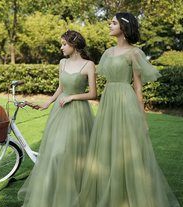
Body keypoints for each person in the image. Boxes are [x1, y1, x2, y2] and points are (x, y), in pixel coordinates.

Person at [77, 12, 180, 207]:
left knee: (127, 147)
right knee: (106, 146)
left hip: (126, 101)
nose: (109, 25)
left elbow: (138, 87)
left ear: (123, 28)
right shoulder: (107, 53)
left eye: (113, 23)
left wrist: (142, 118)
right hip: (108, 102)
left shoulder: (135, 53)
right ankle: (108, 192)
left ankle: (129, 195)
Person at [18, 30, 96, 207]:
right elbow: (61, 88)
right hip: (59, 111)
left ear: (74, 45)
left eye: (64, 44)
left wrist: (72, 97)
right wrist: (47, 103)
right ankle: (52, 193)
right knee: (54, 153)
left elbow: (93, 93)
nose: (61, 48)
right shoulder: (62, 63)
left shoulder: (89, 65)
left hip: (78, 114)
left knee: (73, 154)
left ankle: (76, 194)